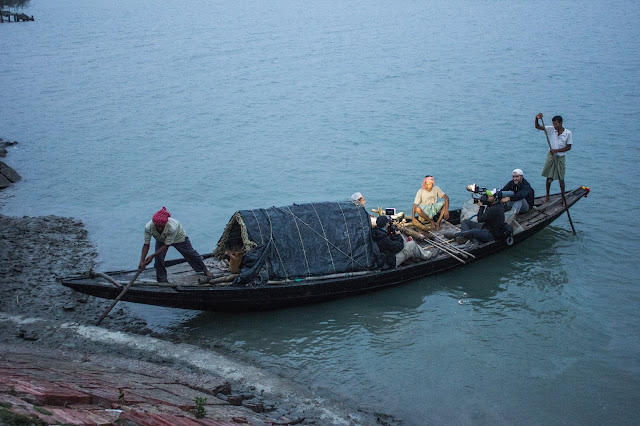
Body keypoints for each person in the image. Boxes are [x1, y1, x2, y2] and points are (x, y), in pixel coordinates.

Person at [139, 207, 213, 282]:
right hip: (160, 239)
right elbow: (146, 245)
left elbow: (166, 245)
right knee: (158, 258)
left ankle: (204, 270)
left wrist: (152, 255)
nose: (159, 229)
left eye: (161, 227)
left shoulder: (172, 228)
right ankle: (162, 279)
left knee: (191, 253)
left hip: (178, 237)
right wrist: (142, 261)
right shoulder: (148, 227)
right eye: (157, 227)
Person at [372, 216, 437, 269]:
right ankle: (428, 256)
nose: (389, 224)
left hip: (384, 258)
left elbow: (391, 242)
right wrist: (398, 235)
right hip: (391, 262)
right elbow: (398, 247)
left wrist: (392, 233)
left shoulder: (376, 233)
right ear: (386, 224)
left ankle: (413, 254)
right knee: (412, 244)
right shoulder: (384, 238)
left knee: (406, 241)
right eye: (387, 223)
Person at [535, 113, 572, 203]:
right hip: (551, 156)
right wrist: (536, 118)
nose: (554, 126)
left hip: (560, 157)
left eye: (556, 124)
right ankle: (547, 196)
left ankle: (563, 198)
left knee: (561, 178)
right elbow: (538, 126)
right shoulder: (551, 130)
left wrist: (557, 150)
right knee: (549, 176)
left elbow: (568, 147)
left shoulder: (568, 133)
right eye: (553, 124)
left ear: (561, 123)